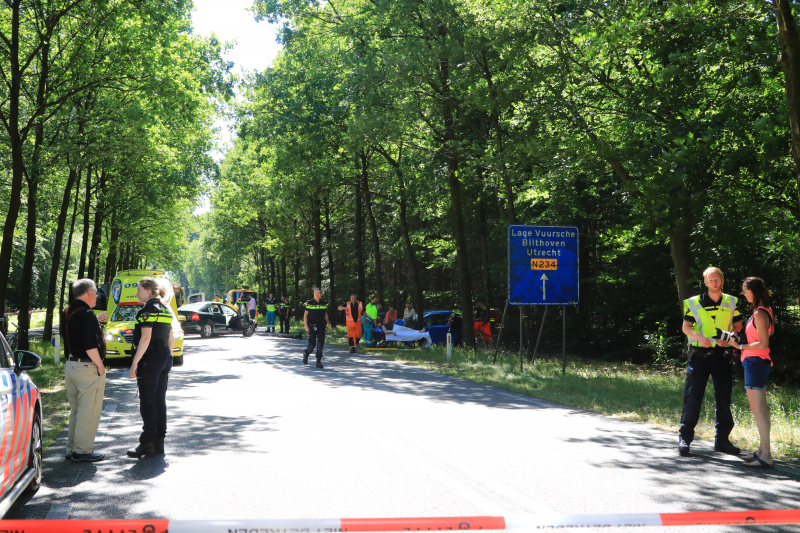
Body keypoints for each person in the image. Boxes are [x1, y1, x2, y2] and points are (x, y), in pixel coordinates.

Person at [678, 266, 742, 457]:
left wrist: (731, 337)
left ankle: (722, 441)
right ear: (705, 282)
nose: (714, 283)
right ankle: (685, 440)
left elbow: (738, 325)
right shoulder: (695, 303)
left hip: (722, 355)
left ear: (722, 281)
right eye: (710, 280)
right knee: (693, 397)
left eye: (717, 280)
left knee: (724, 399)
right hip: (699, 356)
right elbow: (686, 327)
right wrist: (699, 338)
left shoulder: (731, 301)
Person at [729, 277, 775, 468]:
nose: (744, 294)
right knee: (761, 410)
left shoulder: (759, 313)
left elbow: (763, 343)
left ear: (752, 292)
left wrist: (739, 345)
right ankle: (762, 451)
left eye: (745, 291)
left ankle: (766, 457)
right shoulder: (764, 311)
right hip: (757, 362)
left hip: (755, 362)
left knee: (758, 410)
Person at [127, 277, 174, 458]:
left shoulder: (147, 310)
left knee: (148, 402)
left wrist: (134, 363)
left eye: (138, 289)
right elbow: (170, 336)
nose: (137, 293)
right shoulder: (165, 309)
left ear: (148, 290)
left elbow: (145, 339)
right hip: (164, 358)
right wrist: (168, 355)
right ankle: (159, 442)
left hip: (151, 360)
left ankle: (147, 443)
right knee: (159, 401)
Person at [61, 278, 107, 463]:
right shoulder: (87, 314)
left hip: (71, 365)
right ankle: (82, 451)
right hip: (87, 367)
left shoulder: (68, 311)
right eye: (96, 292)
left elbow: (75, 332)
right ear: (89, 292)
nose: (96, 296)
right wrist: (101, 366)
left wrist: (95, 319)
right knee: (89, 411)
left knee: (76, 410)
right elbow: (89, 346)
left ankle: (72, 449)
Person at [303, 288, 333, 368]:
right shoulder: (310, 303)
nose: (317, 294)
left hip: (321, 326)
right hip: (312, 326)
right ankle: (306, 353)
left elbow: (326, 315)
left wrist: (329, 326)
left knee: (320, 343)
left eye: (318, 293)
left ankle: (318, 361)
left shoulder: (323, 303)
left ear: (321, 294)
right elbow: (305, 314)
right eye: (315, 293)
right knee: (312, 344)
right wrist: (305, 325)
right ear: (313, 294)